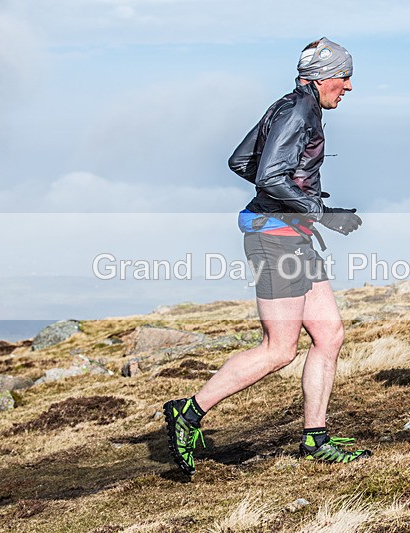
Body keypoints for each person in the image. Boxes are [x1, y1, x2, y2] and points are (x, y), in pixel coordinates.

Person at [163, 37, 370, 475]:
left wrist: (297, 197)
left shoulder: (291, 105)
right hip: (275, 239)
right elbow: (270, 175)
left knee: (330, 334)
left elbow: (243, 163)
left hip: (291, 235)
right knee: (279, 349)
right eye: (345, 77)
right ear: (325, 76)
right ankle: (188, 412)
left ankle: (315, 440)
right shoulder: (298, 111)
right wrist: (321, 211)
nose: (349, 87)